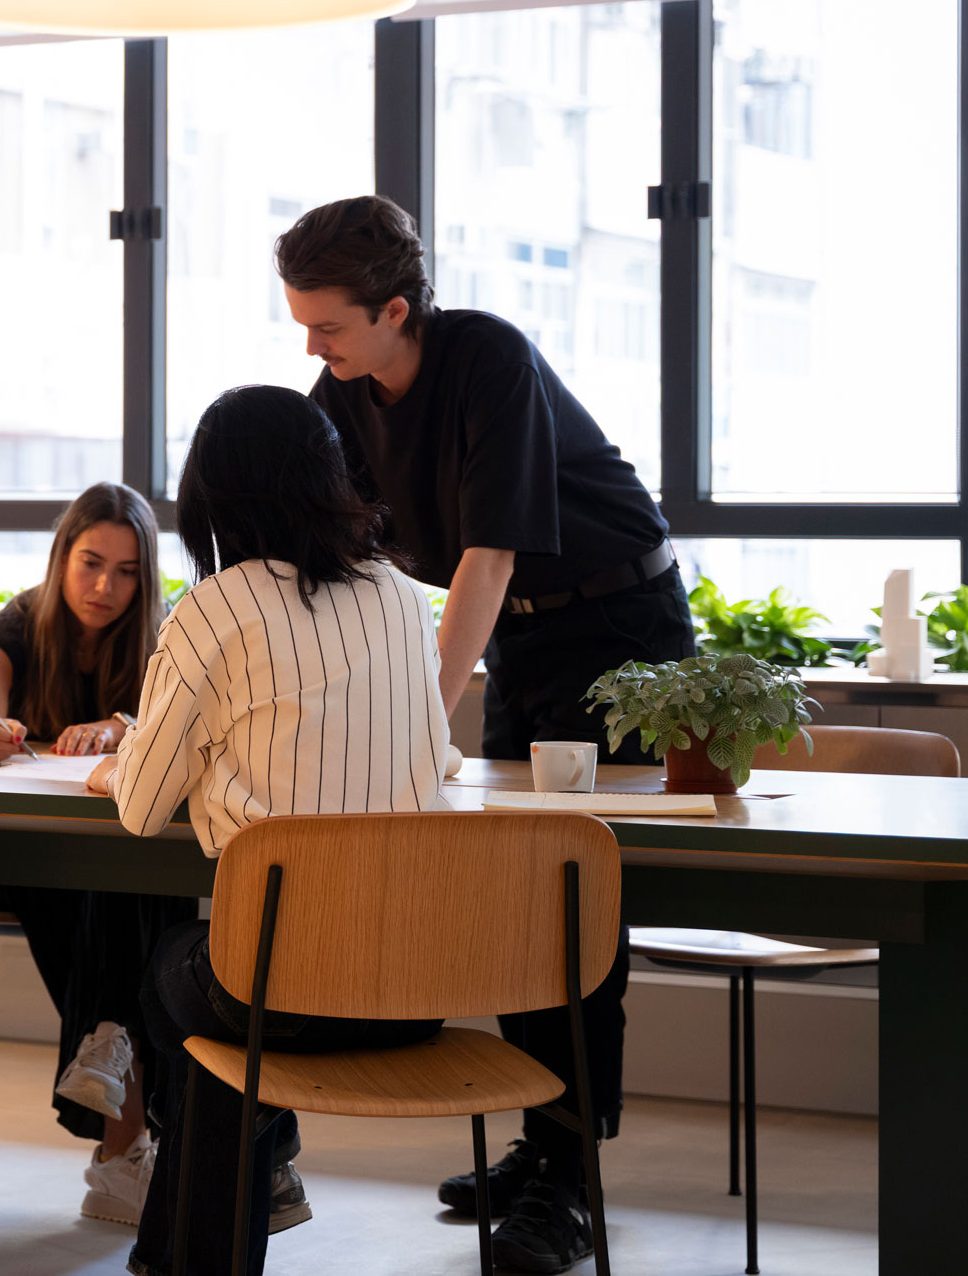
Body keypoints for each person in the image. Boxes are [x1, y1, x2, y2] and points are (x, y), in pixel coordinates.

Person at [278, 195, 692, 1275]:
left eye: (325, 325)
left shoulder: (489, 360)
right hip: (521, 640)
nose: (309, 346)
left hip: (620, 631)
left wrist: (416, 718)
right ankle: (546, 1142)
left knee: (571, 896)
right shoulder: (345, 391)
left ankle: (567, 1182)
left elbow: (487, 559)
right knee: (515, 893)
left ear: (395, 309)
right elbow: (343, 561)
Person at [84, 385, 455, 1276]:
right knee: (223, 1023)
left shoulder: (216, 607)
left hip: (281, 997)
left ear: (210, 496)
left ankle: (240, 1181)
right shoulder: (409, 599)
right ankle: (171, 1252)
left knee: (182, 975)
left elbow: (139, 809)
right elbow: (434, 763)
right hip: (418, 981)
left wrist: (120, 757)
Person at [0, 482, 196, 1227]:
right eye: (91, 563)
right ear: (62, 556)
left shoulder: (164, 637)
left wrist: (125, 725)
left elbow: (182, 725)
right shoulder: (20, 620)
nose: (104, 587)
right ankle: (129, 1134)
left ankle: (112, 1080)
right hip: (14, 859)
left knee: (128, 878)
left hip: (97, 874)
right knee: (127, 890)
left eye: (125, 572)